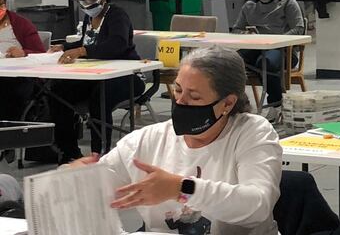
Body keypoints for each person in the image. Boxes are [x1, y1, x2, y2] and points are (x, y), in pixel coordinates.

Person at [69, 46, 282, 234]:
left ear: (227, 104)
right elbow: (98, 187)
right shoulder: (147, 140)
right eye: (178, 90)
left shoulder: (252, 132)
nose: (180, 102)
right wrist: (75, 180)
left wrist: (182, 188)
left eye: (194, 97)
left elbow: (258, 205)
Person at [49, 0, 145, 162]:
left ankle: (99, 153)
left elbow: (116, 45)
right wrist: (65, 47)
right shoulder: (88, 18)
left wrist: (82, 50)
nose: (86, 3)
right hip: (95, 75)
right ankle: (68, 152)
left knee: (99, 98)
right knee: (58, 92)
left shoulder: (117, 16)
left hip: (127, 76)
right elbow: (89, 41)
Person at [232, 0, 305, 121]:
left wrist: (278, 40)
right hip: (257, 46)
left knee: (265, 63)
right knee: (233, 60)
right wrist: (247, 34)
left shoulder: (287, 3)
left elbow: (298, 28)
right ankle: (237, 104)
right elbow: (237, 28)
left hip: (283, 50)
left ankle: (275, 104)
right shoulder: (249, 6)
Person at [0, 0, 46, 122]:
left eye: (0, 3)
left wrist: (24, 53)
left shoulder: (21, 24)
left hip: (18, 77)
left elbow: (41, 54)